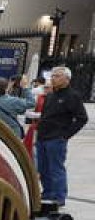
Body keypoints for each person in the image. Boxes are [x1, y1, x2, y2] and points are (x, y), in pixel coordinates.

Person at [36, 66, 88, 206]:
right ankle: (47, 193)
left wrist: (65, 135)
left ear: (67, 79)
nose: (53, 78)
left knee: (56, 168)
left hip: (56, 138)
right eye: (52, 76)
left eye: (57, 76)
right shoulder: (50, 95)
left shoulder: (72, 96)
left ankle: (59, 197)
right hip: (42, 137)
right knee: (42, 168)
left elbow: (82, 118)